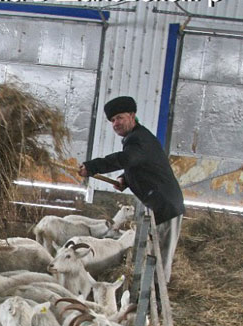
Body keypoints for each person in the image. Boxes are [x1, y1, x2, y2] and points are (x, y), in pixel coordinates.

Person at [78, 96, 184, 283]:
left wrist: (92, 167)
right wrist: (125, 179)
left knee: (160, 256)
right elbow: (142, 164)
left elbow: (125, 159)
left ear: (132, 116)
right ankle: (150, 288)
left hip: (165, 205)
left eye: (119, 117)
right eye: (112, 120)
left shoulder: (138, 140)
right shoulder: (138, 138)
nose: (115, 123)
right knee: (155, 252)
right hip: (161, 202)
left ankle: (157, 292)